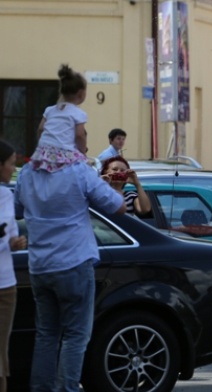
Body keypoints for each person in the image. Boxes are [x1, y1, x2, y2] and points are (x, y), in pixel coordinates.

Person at [14, 136, 125, 390]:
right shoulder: (78, 171)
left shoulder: (28, 172)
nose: (85, 148)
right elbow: (116, 206)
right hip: (73, 262)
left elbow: (18, 209)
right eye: (82, 141)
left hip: (40, 265)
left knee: (46, 334)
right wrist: (112, 188)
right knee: (75, 335)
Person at [0, 140, 27, 392]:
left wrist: (16, 242)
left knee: (2, 353)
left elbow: (9, 235)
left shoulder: (6, 195)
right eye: (10, 164)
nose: (13, 169)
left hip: (6, 285)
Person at [31, 64, 89, 172]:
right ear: (81, 93)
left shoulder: (50, 110)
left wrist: (43, 147)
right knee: (84, 167)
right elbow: (80, 135)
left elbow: (40, 129)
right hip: (63, 152)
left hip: (44, 152)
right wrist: (82, 152)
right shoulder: (79, 113)